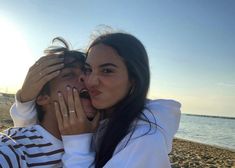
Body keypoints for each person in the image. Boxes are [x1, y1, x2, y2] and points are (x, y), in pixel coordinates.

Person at [11, 32, 181, 167]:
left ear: (134, 79)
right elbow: (36, 139)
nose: (90, 80)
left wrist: (78, 142)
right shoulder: (99, 118)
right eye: (88, 69)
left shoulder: (145, 139)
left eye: (107, 71)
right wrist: (25, 99)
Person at [0, 38, 97, 167]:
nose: (85, 78)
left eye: (87, 72)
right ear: (43, 98)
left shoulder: (107, 141)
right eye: (69, 74)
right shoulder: (12, 148)